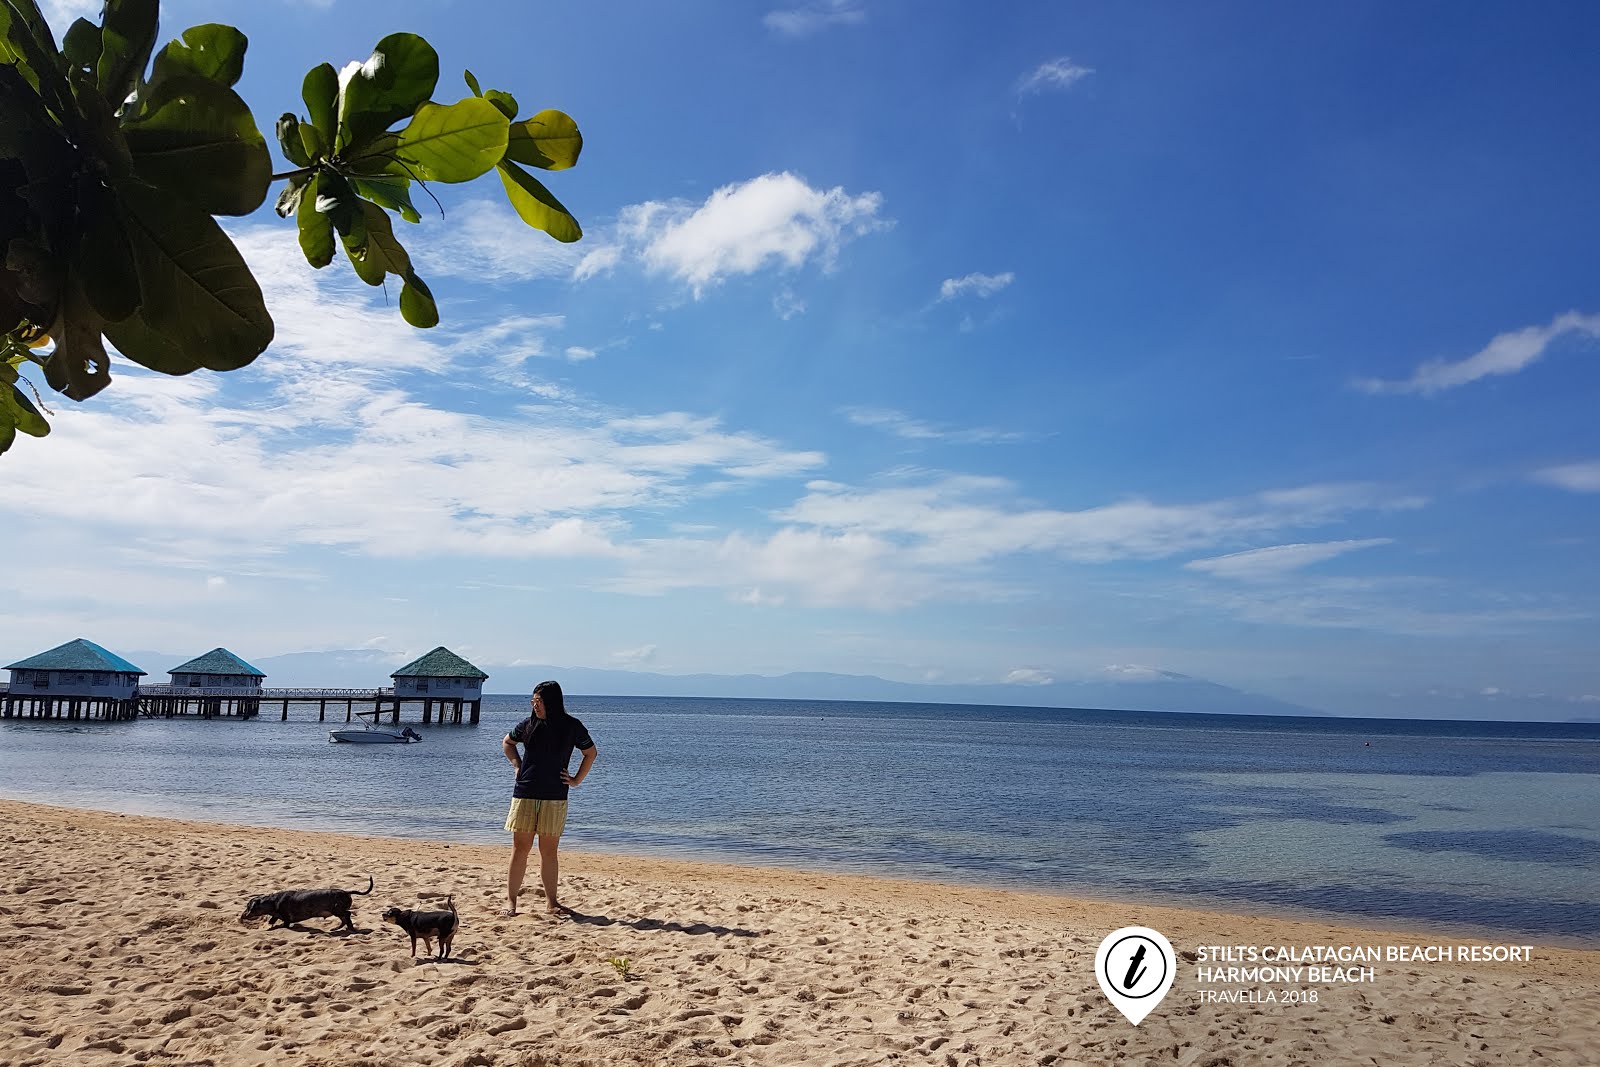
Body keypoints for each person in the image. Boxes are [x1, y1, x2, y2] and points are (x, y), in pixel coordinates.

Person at [502, 680, 597, 917]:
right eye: (533, 701)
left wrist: (576, 780)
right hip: (525, 792)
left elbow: (590, 753)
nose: (535, 705)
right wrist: (516, 766)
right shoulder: (527, 725)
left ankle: (551, 903)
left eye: (539, 701)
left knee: (548, 851)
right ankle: (511, 902)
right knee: (520, 849)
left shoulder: (571, 726)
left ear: (551, 702)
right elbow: (507, 743)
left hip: (555, 795)